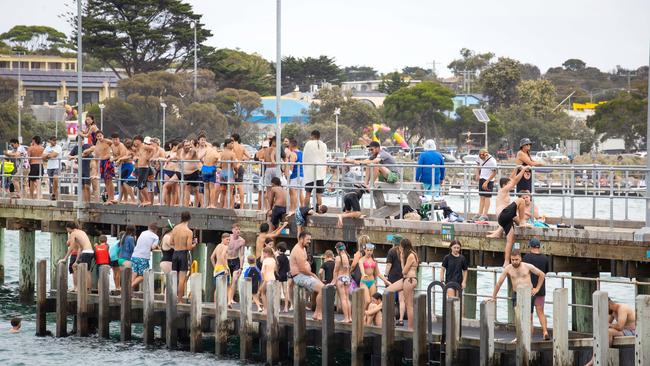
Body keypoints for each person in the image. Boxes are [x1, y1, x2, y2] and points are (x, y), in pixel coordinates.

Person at [491, 250, 546, 319]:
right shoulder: (508, 268)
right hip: (516, 293)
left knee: (528, 318)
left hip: (528, 293)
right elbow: (499, 283)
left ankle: (528, 330)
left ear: (520, 258)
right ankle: (520, 329)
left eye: (516, 259)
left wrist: (537, 289)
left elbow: (542, 275)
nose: (514, 261)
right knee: (518, 315)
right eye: (512, 260)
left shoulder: (527, 266)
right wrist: (493, 297)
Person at [584, 298, 636, 366]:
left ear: (609, 304)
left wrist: (609, 325)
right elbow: (606, 324)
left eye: (605, 309)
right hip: (624, 331)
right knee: (603, 332)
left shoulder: (622, 308)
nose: (606, 312)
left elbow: (620, 327)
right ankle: (594, 358)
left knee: (608, 332)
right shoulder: (612, 311)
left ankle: (605, 354)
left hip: (632, 332)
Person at [384, 238, 418, 329]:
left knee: (409, 305)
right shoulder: (413, 253)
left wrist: (402, 260)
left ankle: (410, 328)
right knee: (388, 290)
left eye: (401, 247)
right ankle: (392, 319)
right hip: (406, 280)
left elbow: (404, 271)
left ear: (403, 246)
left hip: (409, 280)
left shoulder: (411, 255)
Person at [491, 191, 530, 267]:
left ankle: (506, 262)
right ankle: (522, 222)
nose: (525, 199)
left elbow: (516, 219)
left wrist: (525, 223)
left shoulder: (513, 212)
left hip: (503, 220)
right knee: (520, 201)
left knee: (510, 241)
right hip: (503, 216)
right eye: (524, 197)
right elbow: (517, 219)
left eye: (526, 197)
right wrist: (523, 223)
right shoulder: (518, 203)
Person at [290, 232, 324, 320]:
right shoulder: (297, 250)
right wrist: (313, 275)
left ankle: (316, 313)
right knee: (322, 289)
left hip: (304, 275)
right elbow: (302, 269)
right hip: (299, 276)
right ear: (301, 239)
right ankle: (318, 313)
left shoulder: (303, 249)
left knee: (322, 288)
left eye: (310, 239)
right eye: (307, 239)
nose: (309, 241)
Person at [523, 238, 550, 340]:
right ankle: (545, 331)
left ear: (531, 246)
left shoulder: (527, 257)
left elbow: (524, 271)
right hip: (540, 289)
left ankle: (529, 336)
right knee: (541, 312)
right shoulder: (545, 258)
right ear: (539, 246)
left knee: (529, 314)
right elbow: (545, 272)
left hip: (529, 289)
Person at [83, 131, 116, 204]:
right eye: (97, 136)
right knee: (105, 181)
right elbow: (97, 154)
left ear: (103, 135)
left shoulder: (107, 141)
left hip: (108, 161)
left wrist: (112, 155)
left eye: (100, 136)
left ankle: (111, 198)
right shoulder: (98, 143)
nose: (99, 138)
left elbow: (114, 145)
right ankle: (109, 198)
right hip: (102, 162)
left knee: (109, 180)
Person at [58, 222, 93, 291]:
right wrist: (76, 261)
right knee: (87, 270)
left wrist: (65, 258)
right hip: (90, 252)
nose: (67, 231)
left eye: (67, 229)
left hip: (86, 252)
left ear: (68, 228)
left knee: (77, 268)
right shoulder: (81, 232)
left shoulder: (73, 233)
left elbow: (71, 247)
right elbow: (80, 247)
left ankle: (78, 288)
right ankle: (88, 289)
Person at [170, 211, 196, 302]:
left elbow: (170, 242)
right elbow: (189, 247)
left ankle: (172, 298)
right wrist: (194, 245)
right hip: (183, 254)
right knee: (181, 279)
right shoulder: (189, 231)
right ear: (189, 219)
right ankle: (179, 299)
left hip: (175, 253)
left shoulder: (175, 228)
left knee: (174, 277)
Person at [358, 242, 390, 308]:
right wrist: (363, 274)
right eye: (367, 250)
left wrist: (386, 281)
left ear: (373, 251)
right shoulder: (361, 260)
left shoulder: (374, 261)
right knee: (367, 301)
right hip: (364, 282)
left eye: (371, 250)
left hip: (372, 282)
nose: (369, 252)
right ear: (365, 250)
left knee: (373, 301)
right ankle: (363, 315)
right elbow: (361, 268)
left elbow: (378, 273)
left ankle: (370, 316)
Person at [302, 130, 328, 210]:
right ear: (319, 136)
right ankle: (319, 210)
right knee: (318, 194)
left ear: (312, 136)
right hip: (320, 173)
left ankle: (306, 210)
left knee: (308, 193)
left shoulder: (308, 144)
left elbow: (304, 157)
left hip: (310, 172)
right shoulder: (324, 145)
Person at [130, 223, 160, 290]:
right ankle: (130, 286)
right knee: (143, 275)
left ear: (149, 228)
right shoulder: (155, 237)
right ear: (156, 230)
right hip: (143, 257)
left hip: (134, 255)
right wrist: (157, 246)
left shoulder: (143, 233)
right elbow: (153, 247)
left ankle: (129, 292)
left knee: (134, 274)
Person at [385, 239, 406, 326]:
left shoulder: (391, 251)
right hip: (402, 277)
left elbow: (389, 265)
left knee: (390, 299)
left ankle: (392, 318)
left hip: (392, 278)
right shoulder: (405, 252)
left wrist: (385, 275)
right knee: (402, 300)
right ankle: (401, 319)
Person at [133, 135, 157, 206]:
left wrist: (149, 157)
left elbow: (153, 149)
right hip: (140, 167)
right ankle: (145, 200)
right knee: (141, 185)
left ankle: (147, 200)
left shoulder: (143, 146)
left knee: (141, 185)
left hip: (144, 167)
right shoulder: (139, 148)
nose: (135, 142)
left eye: (135, 141)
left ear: (139, 141)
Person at [474, 148, 497, 221]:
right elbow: (478, 164)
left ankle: (485, 214)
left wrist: (487, 182)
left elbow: (494, 173)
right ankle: (479, 213)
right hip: (482, 178)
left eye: (483, 157)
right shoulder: (479, 157)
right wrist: (477, 174)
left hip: (489, 180)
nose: (482, 158)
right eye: (481, 157)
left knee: (487, 197)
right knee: (481, 197)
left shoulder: (492, 161)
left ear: (486, 155)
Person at [69, 136, 93, 203]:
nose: (81, 142)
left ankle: (88, 202)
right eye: (79, 141)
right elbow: (69, 157)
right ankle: (84, 201)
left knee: (87, 186)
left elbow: (92, 149)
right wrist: (76, 156)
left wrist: (84, 153)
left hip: (88, 168)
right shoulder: (76, 148)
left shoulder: (87, 146)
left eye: (82, 140)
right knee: (82, 186)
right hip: (81, 169)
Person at [227, 223, 246, 306]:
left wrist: (241, 267)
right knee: (226, 281)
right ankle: (227, 298)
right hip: (227, 260)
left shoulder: (242, 241)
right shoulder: (228, 238)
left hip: (236, 261)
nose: (238, 231)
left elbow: (242, 255)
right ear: (232, 230)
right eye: (236, 229)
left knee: (234, 279)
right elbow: (222, 249)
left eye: (239, 229)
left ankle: (231, 299)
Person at [333, 242, 352, 322]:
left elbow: (335, 271)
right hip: (347, 278)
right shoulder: (347, 257)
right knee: (347, 299)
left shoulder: (338, 258)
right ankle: (350, 317)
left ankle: (346, 318)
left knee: (343, 299)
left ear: (337, 249)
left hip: (340, 278)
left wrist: (333, 281)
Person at [231, 133, 250, 209]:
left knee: (232, 187)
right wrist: (242, 160)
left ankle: (231, 205)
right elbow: (249, 156)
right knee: (240, 186)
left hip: (233, 167)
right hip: (240, 166)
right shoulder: (242, 147)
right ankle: (241, 206)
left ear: (232, 138)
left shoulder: (231, 146)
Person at [219, 138, 238, 208]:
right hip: (229, 172)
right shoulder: (232, 153)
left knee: (222, 192)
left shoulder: (221, 153)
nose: (233, 145)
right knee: (229, 192)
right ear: (227, 144)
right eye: (231, 143)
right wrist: (236, 172)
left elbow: (220, 165)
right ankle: (226, 207)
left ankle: (221, 207)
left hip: (222, 172)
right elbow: (235, 165)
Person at [42, 136, 62, 200]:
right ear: (50, 141)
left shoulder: (58, 147)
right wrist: (49, 155)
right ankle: (54, 196)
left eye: (55, 140)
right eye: (53, 140)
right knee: (51, 182)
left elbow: (54, 155)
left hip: (57, 166)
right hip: (49, 167)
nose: (54, 142)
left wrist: (48, 155)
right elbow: (43, 157)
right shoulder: (47, 147)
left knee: (55, 178)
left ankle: (54, 194)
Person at [201, 142, 220, 208]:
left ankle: (207, 204)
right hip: (211, 167)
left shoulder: (207, 149)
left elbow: (200, 157)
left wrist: (203, 162)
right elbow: (219, 162)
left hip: (205, 168)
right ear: (217, 148)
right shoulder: (216, 153)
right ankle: (212, 204)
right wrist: (216, 164)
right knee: (212, 188)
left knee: (206, 187)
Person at [259, 246, 277, 312]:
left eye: (263, 253)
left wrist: (263, 279)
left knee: (262, 292)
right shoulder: (273, 260)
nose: (263, 255)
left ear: (266, 253)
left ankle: (266, 309)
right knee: (270, 294)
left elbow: (262, 272)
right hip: (273, 278)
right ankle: (271, 309)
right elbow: (275, 270)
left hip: (267, 278)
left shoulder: (265, 260)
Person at [275, 241, 292, 312]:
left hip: (278, 276)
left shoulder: (278, 258)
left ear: (279, 249)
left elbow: (276, 267)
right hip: (284, 275)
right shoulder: (286, 258)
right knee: (285, 291)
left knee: (278, 292)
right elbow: (288, 268)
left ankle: (278, 307)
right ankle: (286, 307)